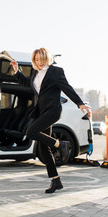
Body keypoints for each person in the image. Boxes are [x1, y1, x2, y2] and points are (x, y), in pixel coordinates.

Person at [10, 47, 91, 193]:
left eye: (41, 59)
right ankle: (56, 180)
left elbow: (67, 88)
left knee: (31, 131)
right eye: (36, 60)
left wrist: (80, 103)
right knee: (43, 146)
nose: (39, 63)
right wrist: (17, 71)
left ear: (47, 59)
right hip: (41, 112)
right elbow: (28, 83)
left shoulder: (56, 71)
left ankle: (61, 144)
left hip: (52, 111)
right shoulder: (36, 72)